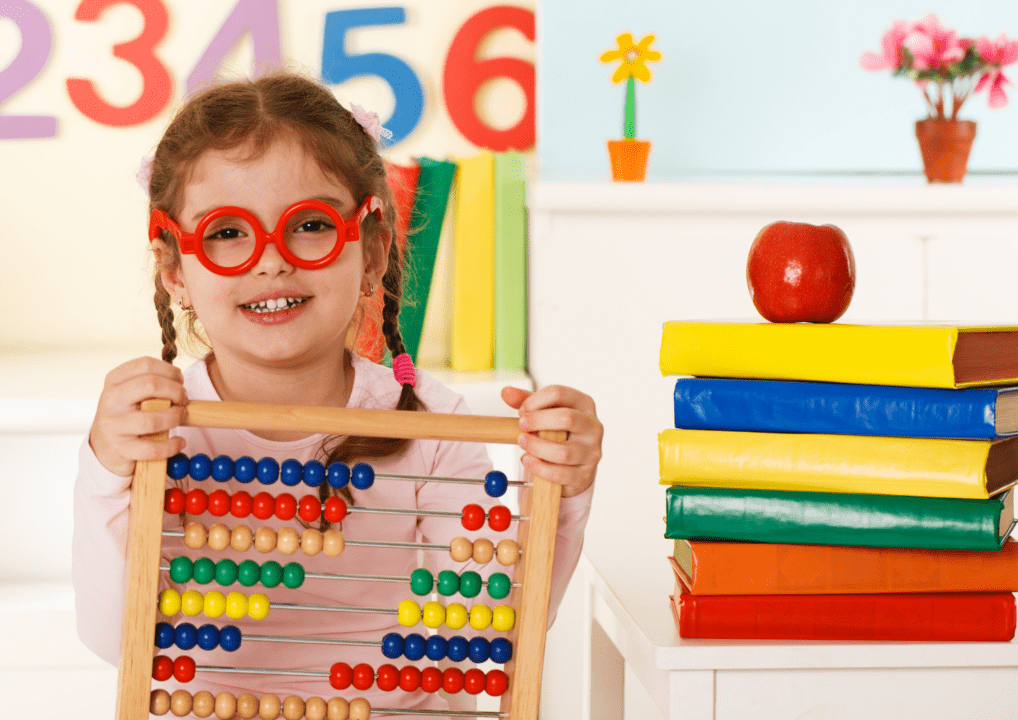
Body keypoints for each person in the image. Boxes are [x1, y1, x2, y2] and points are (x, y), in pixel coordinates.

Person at [72, 73, 601, 718]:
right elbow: (112, 636)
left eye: (311, 224)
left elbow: (491, 631)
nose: (272, 260)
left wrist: (561, 489)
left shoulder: (430, 428)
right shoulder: (156, 435)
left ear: (373, 253)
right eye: (228, 232)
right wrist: (105, 469)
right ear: (176, 270)